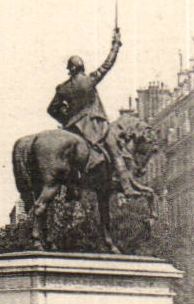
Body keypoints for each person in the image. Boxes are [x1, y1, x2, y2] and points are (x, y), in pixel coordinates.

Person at [48, 27, 155, 198]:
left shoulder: (63, 88)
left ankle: (71, 190)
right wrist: (116, 44)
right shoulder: (89, 80)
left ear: (70, 69)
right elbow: (108, 64)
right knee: (114, 150)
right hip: (96, 127)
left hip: (73, 129)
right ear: (81, 68)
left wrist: (66, 117)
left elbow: (51, 109)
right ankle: (126, 185)